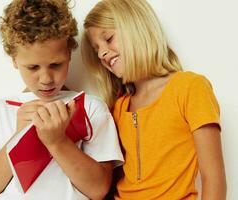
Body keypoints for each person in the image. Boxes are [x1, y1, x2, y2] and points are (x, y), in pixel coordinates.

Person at [0, 0, 123, 199]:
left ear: (69, 55)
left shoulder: (91, 107)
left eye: (55, 65)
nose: (46, 79)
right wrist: (17, 138)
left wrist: (57, 141)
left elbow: (99, 190)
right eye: (33, 67)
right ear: (14, 61)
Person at [81, 0, 227, 199]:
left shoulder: (190, 88)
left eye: (109, 38)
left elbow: (214, 179)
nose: (102, 53)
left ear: (136, 28)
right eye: (96, 48)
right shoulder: (118, 106)